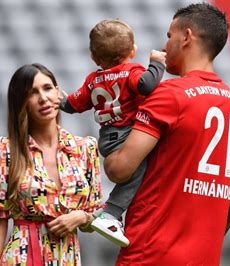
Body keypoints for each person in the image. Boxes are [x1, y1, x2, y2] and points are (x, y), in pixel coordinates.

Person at [104, 3, 230, 265]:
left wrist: (107, 137)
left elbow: (120, 170)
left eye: (169, 35)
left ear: (186, 37)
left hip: (149, 254)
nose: (165, 44)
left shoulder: (169, 94)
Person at [59, 19, 166, 247]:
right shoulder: (131, 71)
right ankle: (111, 213)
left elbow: (74, 105)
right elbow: (146, 85)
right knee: (138, 171)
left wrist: (61, 101)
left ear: (94, 58)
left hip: (107, 137)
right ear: (132, 50)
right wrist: (156, 64)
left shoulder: (93, 80)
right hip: (127, 134)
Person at [0, 63, 102, 266]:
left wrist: (81, 217)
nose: (43, 98)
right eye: (32, 93)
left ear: (58, 92)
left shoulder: (85, 148)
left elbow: (96, 211)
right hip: (22, 257)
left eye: (47, 88)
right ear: (22, 102)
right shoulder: (4, 149)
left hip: (68, 258)